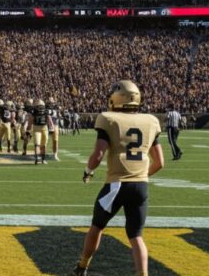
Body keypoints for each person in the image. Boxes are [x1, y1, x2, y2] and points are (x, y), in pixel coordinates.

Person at [74, 80, 164, 276]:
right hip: (141, 186)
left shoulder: (108, 119)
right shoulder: (150, 121)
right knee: (136, 236)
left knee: (96, 226)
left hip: (116, 185)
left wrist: (88, 171)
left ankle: (82, 267)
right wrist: (140, 175)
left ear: (117, 98)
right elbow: (160, 162)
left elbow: (97, 155)